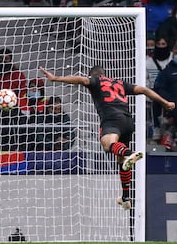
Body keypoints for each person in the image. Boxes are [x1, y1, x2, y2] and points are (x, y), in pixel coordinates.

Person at [40, 65, 175, 210]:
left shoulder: (95, 81)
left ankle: (130, 154)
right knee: (122, 161)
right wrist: (165, 102)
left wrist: (56, 78)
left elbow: (81, 80)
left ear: (92, 75)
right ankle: (125, 197)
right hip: (128, 122)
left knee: (106, 144)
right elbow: (143, 89)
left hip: (112, 120)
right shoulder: (119, 83)